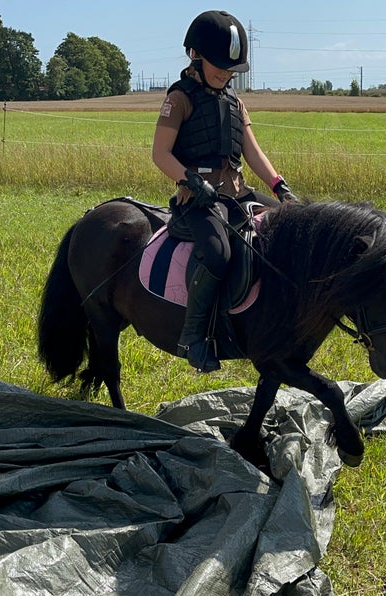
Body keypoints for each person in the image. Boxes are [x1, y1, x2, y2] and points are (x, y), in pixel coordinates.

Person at [152, 9, 298, 373]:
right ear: (195, 55)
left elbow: (251, 149)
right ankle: (193, 336)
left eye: (231, 69)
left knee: (292, 227)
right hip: (197, 201)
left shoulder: (235, 100)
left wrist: (279, 187)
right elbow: (159, 154)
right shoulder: (179, 98)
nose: (226, 73)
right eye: (219, 65)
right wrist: (190, 180)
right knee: (217, 252)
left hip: (237, 193)